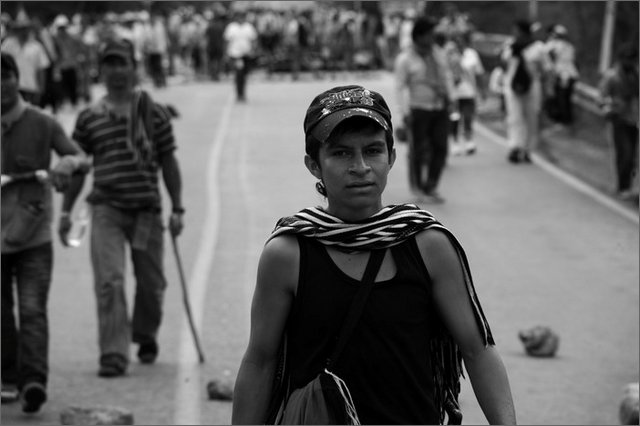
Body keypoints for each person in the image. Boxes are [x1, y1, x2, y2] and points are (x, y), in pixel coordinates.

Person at [231, 85, 517, 425]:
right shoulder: (289, 253)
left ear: (391, 157)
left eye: (373, 150)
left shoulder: (427, 244)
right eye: (341, 154)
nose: (361, 166)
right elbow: (261, 361)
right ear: (313, 165)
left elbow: (477, 348)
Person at [59, 39, 185, 378]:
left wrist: (178, 208)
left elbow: (169, 162)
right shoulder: (89, 118)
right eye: (110, 64)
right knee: (110, 281)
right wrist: (65, 212)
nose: (117, 71)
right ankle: (113, 353)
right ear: (102, 70)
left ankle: (144, 333)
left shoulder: (153, 113)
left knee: (152, 284)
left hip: (146, 211)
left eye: (122, 63)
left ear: (134, 67)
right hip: (106, 210)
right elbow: (78, 167)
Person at [1, 52, 88, 413]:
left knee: (33, 309)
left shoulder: (42, 122)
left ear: (16, 79)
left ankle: (33, 380)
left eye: (5, 76)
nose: (0, 85)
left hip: (33, 235)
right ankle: (7, 376)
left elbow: (79, 156)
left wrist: (65, 165)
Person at [395, 17, 454, 203]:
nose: (432, 38)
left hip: (439, 107)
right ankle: (418, 188)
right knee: (418, 150)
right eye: (429, 34)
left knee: (441, 148)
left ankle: (432, 186)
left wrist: (452, 99)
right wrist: (403, 113)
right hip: (418, 109)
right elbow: (400, 87)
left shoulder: (438, 54)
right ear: (418, 36)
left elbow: (447, 77)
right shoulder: (405, 59)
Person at [501, 19, 550, 164]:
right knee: (514, 117)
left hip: (532, 85)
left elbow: (546, 69)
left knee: (531, 118)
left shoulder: (538, 48)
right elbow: (503, 64)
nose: (514, 33)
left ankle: (528, 149)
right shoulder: (510, 46)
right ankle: (515, 147)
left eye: (516, 31)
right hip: (512, 85)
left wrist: (547, 87)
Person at [598, 43, 639, 201]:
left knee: (632, 155)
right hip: (618, 118)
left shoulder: (636, 76)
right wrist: (609, 107)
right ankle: (623, 187)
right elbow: (601, 96)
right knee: (625, 153)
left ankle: (627, 185)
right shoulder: (612, 76)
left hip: (634, 118)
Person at [448, 31, 486, 156]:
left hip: (469, 92)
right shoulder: (449, 55)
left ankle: (469, 141)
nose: (459, 43)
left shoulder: (472, 54)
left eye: (461, 40)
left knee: (468, 117)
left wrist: (482, 89)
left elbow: (479, 72)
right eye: (456, 40)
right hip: (454, 94)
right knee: (455, 118)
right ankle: (455, 142)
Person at [1, 12, 50, 106]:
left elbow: (41, 70)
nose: (23, 31)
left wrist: (41, 89)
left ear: (28, 29)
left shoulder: (37, 47)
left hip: (31, 87)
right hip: (12, 88)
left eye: (25, 28)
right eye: (20, 28)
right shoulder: (8, 44)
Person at [544, 24, 579, 125]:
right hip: (571, 75)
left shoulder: (554, 45)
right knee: (566, 99)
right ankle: (567, 121)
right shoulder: (570, 46)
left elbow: (545, 54)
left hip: (561, 75)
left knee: (560, 99)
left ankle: (563, 121)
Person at [223, 11, 257, 102]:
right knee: (239, 73)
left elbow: (253, 40)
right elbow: (226, 41)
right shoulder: (231, 27)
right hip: (236, 54)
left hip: (246, 54)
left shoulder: (249, 27)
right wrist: (226, 53)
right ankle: (239, 94)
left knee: (244, 75)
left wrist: (253, 50)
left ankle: (242, 92)